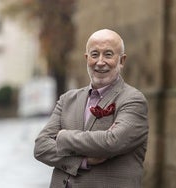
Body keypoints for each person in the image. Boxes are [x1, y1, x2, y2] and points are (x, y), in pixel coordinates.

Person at [34, 29, 149, 188]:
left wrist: (63, 136)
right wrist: (82, 161)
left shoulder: (133, 100)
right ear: (87, 58)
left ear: (122, 60)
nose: (100, 62)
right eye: (95, 55)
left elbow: (112, 142)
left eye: (108, 54)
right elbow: (41, 147)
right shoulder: (67, 100)